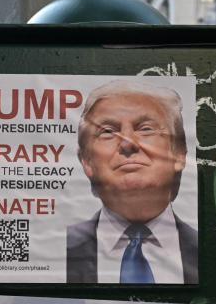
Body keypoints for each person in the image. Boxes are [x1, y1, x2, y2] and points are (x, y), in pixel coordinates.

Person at [67, 80, 198, 284]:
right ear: (86, 161)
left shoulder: (211, 251)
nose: (128, 143)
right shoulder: (57, 249)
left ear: (179, 154)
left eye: (145, 129)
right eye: (108, 131)